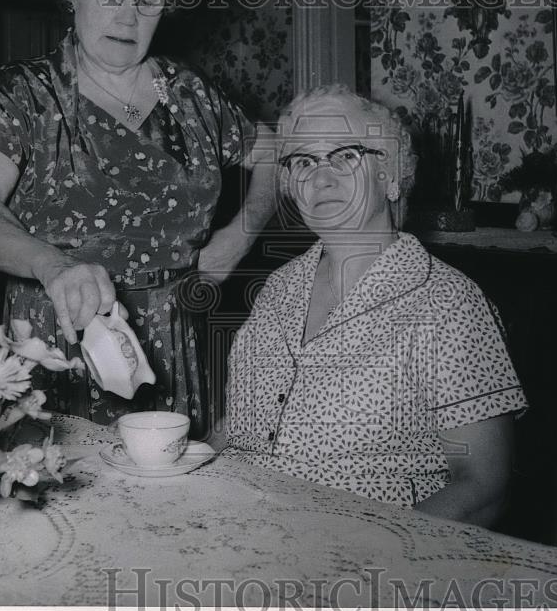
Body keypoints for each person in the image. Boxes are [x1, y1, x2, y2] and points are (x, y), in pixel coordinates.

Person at [0, 0, 274, 437]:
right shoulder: (27, 92)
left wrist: (237, 237)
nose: (128, 16)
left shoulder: (193, 95)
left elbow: (275, 153)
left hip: (172, 343)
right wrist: (53, 266)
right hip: (58, 341)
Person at [223, 86, 527, 529]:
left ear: (391, 176)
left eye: (345, 155)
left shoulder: (447, 302)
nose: (320, 177)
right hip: (243, 536)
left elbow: (483, 489)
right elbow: (235, 429)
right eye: (303, 161)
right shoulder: (276, 289)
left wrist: (368, 562)